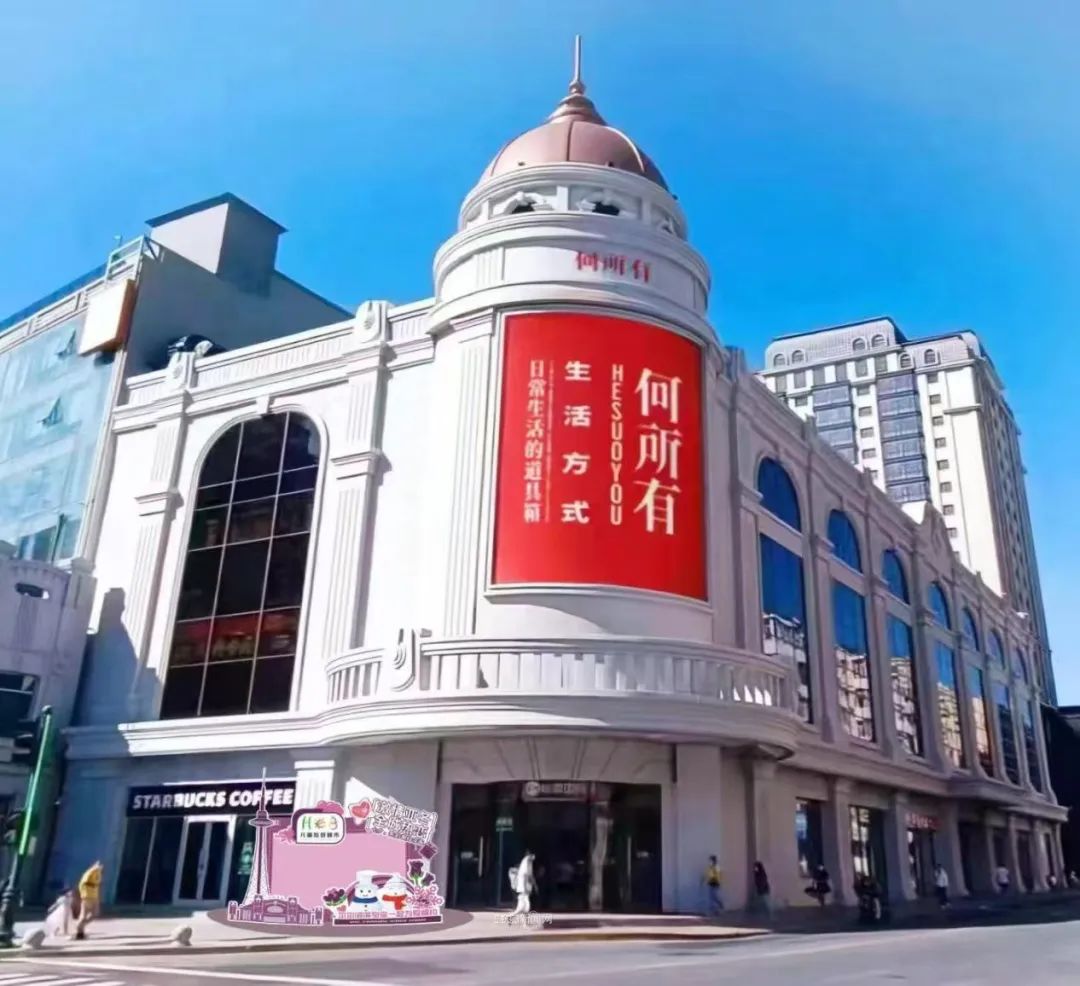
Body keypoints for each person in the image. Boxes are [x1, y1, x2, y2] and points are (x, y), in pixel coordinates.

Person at [74, 860, 103, 940]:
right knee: (83, 916)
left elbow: (97, 884)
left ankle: (80, 928)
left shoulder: (97, 874)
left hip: (94, 897)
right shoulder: (89, 873)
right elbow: (82, 883)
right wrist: (95, 867)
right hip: (87, 896)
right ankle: (79, 931)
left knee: (95, 914)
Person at [509, 850, 536, 923]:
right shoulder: (526, 863)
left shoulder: (528, 863)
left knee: (523, 906)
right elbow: (525, 876)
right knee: (525, 906)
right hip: (524, 889)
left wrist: (534, 885)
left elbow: (530, 876)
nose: (534, 857)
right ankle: (513, 917)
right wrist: (525, 888)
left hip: (525, 888)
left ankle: (513, 917)